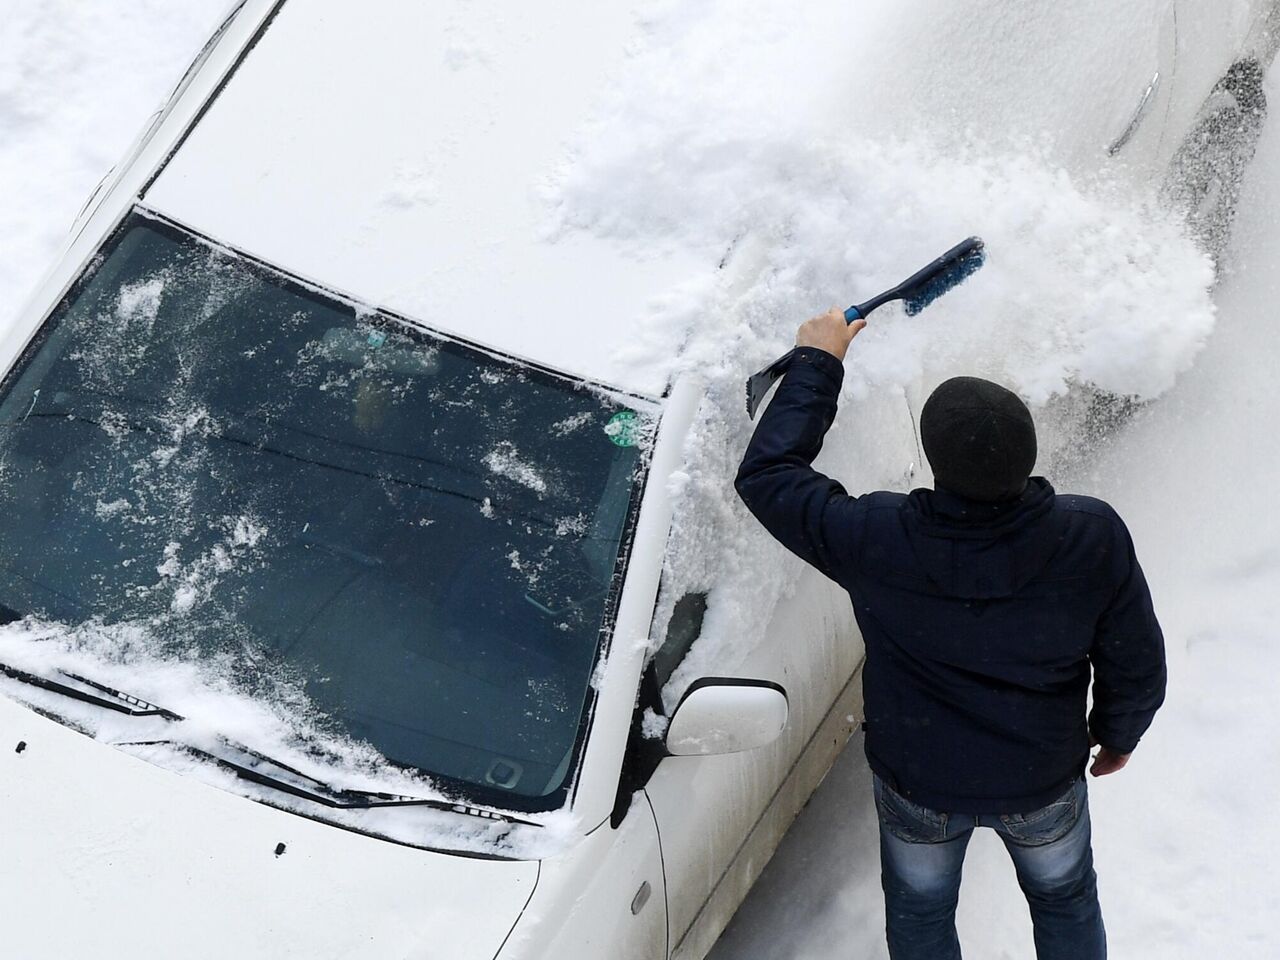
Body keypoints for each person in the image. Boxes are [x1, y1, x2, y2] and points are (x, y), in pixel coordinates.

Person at [735, 308, 1166, 960]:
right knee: (1065, 897)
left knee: (920, 911)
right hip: (1043, 782)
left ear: (934, 458)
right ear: (1028, 453)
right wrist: (1119, 734)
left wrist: (818, 362)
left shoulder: (877, 541)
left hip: (919, 787)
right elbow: (1136, 662)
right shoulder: (1090, 538)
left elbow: (769, 476)